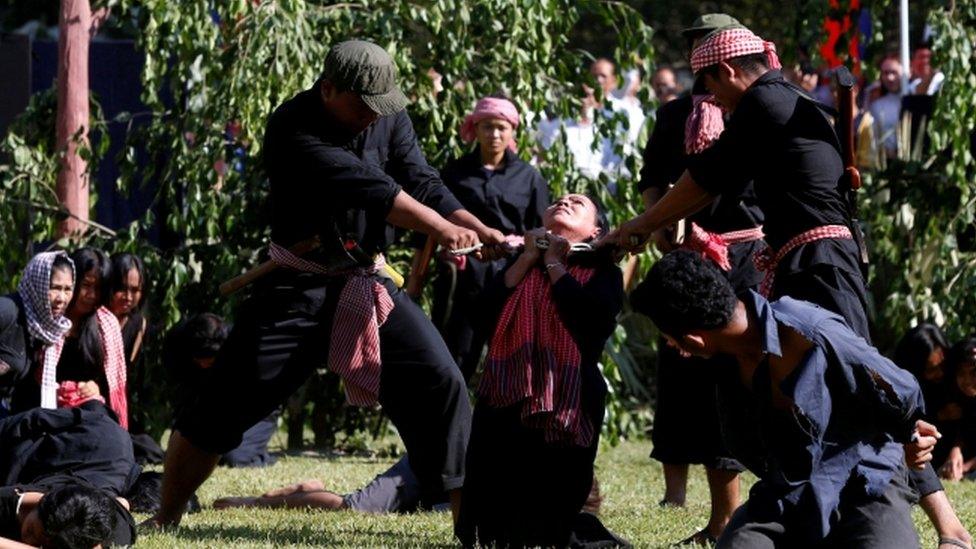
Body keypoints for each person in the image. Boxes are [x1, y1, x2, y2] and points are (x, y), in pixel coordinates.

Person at [609, 25, 972, 548]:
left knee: (868, 384)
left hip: (820, 262)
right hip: (811, 258)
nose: (714, 103)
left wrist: (638, 227)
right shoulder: (785, 99)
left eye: (712, 88)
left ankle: (949, 525)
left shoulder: (766, 103)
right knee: (844, 390)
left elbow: (706, 178)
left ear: (729, 71)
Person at [147, 39, 507, 528]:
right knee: (222, 404)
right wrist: (443, 229)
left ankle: (472, 530)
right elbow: (374, 188)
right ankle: (166, 515)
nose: (371, 117)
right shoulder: (291, 127)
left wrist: (471, 222)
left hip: (366, 279)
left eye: (379, 107)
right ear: (328, 89)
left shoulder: (385, 114)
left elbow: (419, 178)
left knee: (440, 382)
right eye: (362, 106)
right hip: (298, 287)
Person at [631, 250, 936, 548]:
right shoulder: (725, 365)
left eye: (669, 337)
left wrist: (909, 432)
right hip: (789, 493)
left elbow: (900, 387)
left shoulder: (805, 329)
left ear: (693, 338)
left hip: (867, 482)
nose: (673, 346)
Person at [637, 13, 760, 545]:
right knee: (687, 376)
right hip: (691, 258)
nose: (701, 58)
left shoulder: (758, 112)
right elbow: (652, 183)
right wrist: (661, 226)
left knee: (737, 376)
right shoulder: (673, 117)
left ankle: (738, 514)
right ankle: (699, 506)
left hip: (752, 258)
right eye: (694, 47)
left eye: (710, 46)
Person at [456, 193, 624, 548]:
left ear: (595, 231)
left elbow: (591, 320)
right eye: (558, 201)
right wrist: (531, 257)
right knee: (497, 490)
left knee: (554, 508)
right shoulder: (519, 262)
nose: (563, 202)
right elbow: (482, 315)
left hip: (569, 395)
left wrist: (554, 265)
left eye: (576, 203)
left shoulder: (603, 271)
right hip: (506, 389)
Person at [427, 95, 549, 379]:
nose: (494, 134)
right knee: (454, 358)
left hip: (510, 275)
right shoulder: (455, 172)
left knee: (507, 361)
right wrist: (417, 279)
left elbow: (540, 232)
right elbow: (433, 224)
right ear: (476, 129)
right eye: (487, 127)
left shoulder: (530, 178)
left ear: (512, 131)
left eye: (501, 128)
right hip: (462, 276)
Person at [11, 248, 128, 430]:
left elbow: (112, 387)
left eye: (98, 289)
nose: (92, 295)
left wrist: (93, 388)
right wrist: (52, 389)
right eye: (86, 286)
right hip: (43, 406)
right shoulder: (42, 320)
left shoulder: (105, 325)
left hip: (88, 408)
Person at [0, 400, 139, 547]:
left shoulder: (96, 523)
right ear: (40, 504)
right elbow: (32, 420)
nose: (31, 542)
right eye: (31, 531)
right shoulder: (11, 498)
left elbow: (122, 510)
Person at [164, 313, 278, 467]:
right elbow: (182, 393)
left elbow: (258, 395)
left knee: (234, 458)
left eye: (210, 359)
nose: (204, 365)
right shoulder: (176, 341)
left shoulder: (243, 345)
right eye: (199, 359)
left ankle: (257, 454)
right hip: (205, 406)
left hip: (253, 410)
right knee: (183, 454)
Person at [0, 252, 74, 411]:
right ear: (37, 284)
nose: (62, 298)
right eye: (55, 288)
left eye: (67, 289)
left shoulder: (47, 331)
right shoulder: (7, 311)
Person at [937, 338, 976, 482]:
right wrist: (955, 451)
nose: (966, 380)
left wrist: (964, 467)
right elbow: (964, 429)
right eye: (961, 373)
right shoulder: (956, 397)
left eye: (973, 372)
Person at [868, 55, 904, 159]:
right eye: (886, 73)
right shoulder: (876, 106)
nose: (890, 78)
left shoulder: (915, 96)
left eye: (894, 72)